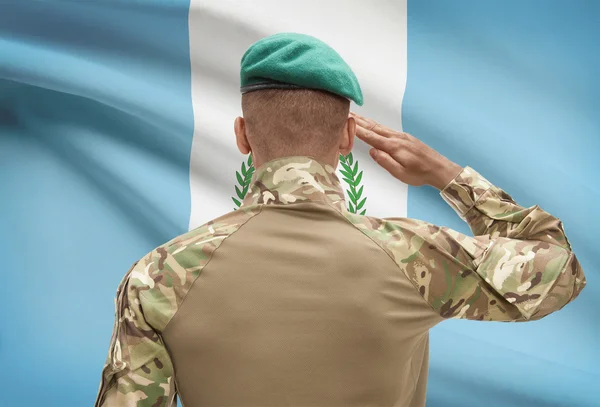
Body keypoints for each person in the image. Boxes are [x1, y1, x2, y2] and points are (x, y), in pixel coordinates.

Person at [94, 33, 587, 407]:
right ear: (349, 136)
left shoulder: (158, 275)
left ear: (243, 135)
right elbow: (559, 268)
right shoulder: (414, 256)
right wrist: (447, 175)